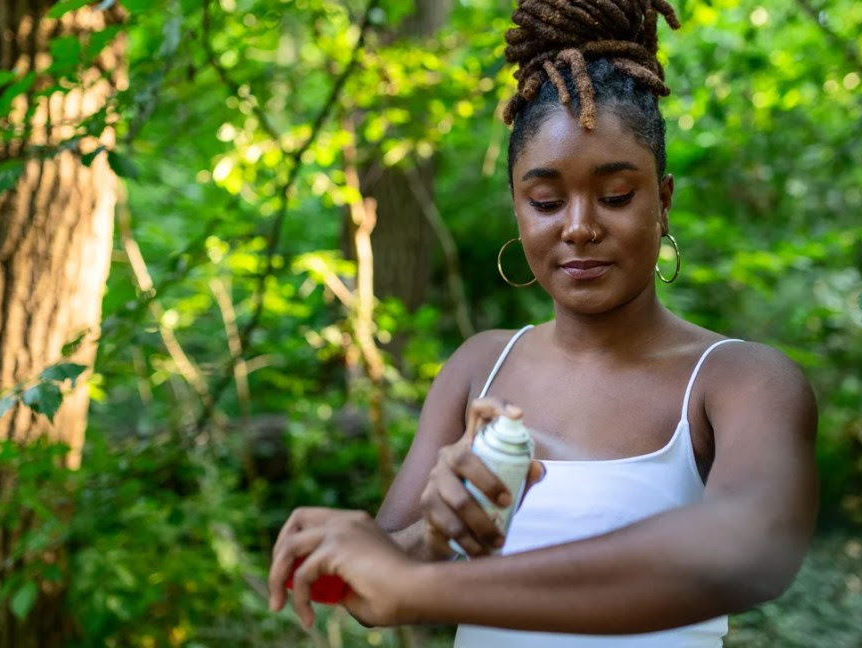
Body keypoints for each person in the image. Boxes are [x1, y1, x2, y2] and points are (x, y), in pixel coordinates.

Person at [268, 0, 818, 645]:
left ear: (662, 202)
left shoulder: (739, 380)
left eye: (615, 196)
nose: (579, 226)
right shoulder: (481, 366)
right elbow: (375, 591)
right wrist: (435, 534)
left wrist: (424, 587)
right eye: (546, 201)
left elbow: (750, 550)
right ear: (518, 211)